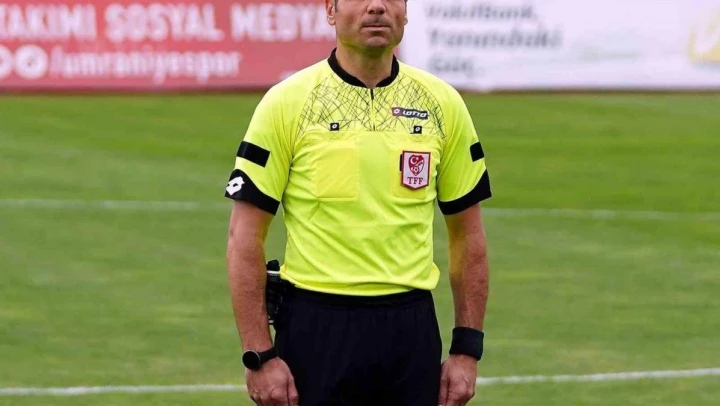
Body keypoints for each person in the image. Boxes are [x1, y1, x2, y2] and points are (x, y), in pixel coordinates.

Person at [224, 0, 491, 405]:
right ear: (330, 10)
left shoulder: (442, 104)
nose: (377, 6)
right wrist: (258, 354)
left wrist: (467, 348)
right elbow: (243, 238)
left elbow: (468, 235)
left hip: (411, 330)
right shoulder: (287, 103)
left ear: (406, 12)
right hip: (316, 329)